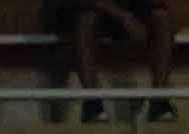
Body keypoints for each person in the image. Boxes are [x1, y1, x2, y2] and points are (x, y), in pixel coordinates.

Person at [43, 0, 177, 123]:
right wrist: (124, 17)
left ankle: (159, 100)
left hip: (118, 12)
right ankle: (92, 103)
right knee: (87, 17)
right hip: (81, 11)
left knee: (161, 16)